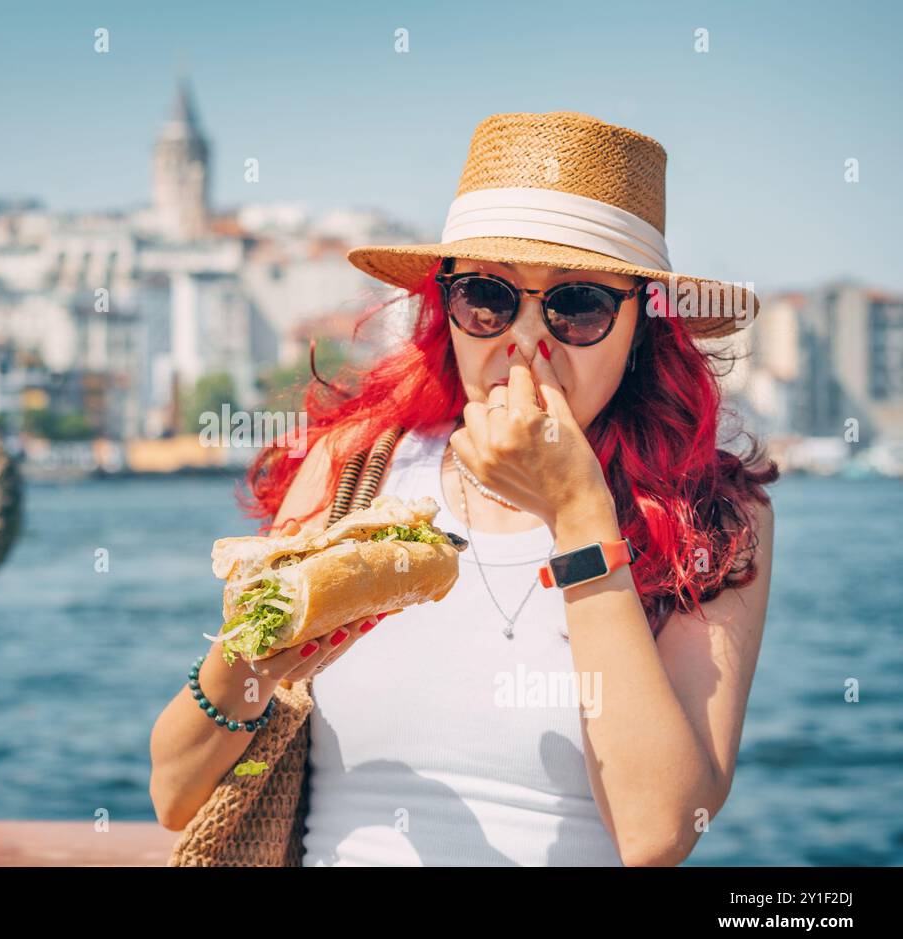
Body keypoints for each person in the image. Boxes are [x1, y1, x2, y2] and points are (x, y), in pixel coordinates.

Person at [150, 111, 777, 866]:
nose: (525, 339)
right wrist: (259, 654)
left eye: (577, 304)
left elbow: (660, 831)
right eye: (488, 297)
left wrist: (579, 514)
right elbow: (175, 791)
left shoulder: (711, 518)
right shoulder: (358, 469)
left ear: (643, 322)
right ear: (445, 311)